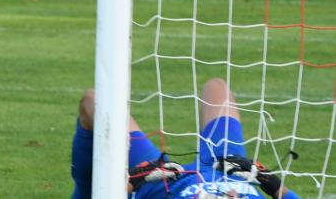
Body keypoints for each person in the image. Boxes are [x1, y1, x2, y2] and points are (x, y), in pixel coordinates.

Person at [71, 78, 300, 199]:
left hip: (162, 184)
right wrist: (271, 182)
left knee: (95, 102)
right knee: (217, 88)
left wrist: (134, 180)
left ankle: (86, 191)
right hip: (227, 168)